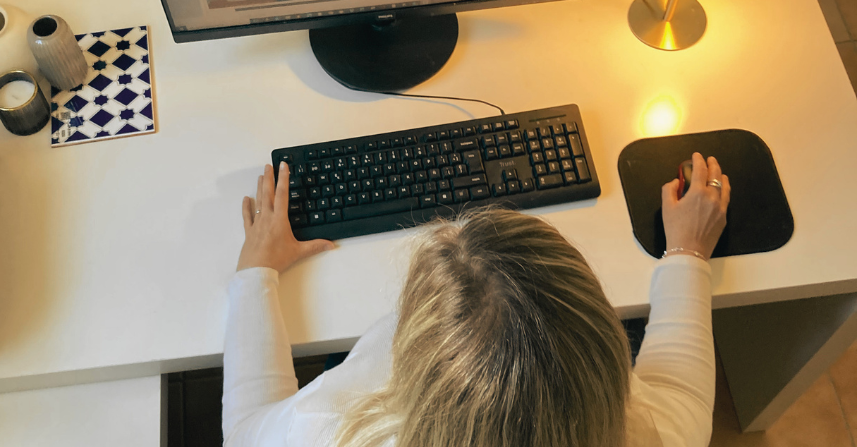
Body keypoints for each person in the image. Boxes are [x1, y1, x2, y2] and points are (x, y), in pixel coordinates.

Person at [223, 152, 730, 447]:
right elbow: (682, 391)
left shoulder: (329, 429)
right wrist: (687, 253)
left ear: (415, 361)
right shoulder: (657, 434)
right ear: (607, 354)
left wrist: (257, 269)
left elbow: (245, 430)